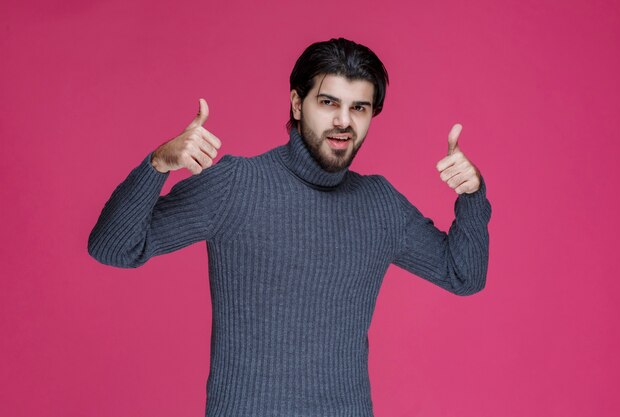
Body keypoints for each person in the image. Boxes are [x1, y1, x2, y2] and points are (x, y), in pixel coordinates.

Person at [88, 37, 492, 417]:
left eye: (359, 108)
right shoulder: (237, 185)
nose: (343, 121)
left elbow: (463, 275)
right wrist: (158, 164)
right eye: (328, 102)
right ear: (297, 104)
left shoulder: (379, 205)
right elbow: (113, 248)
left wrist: (472, 194)